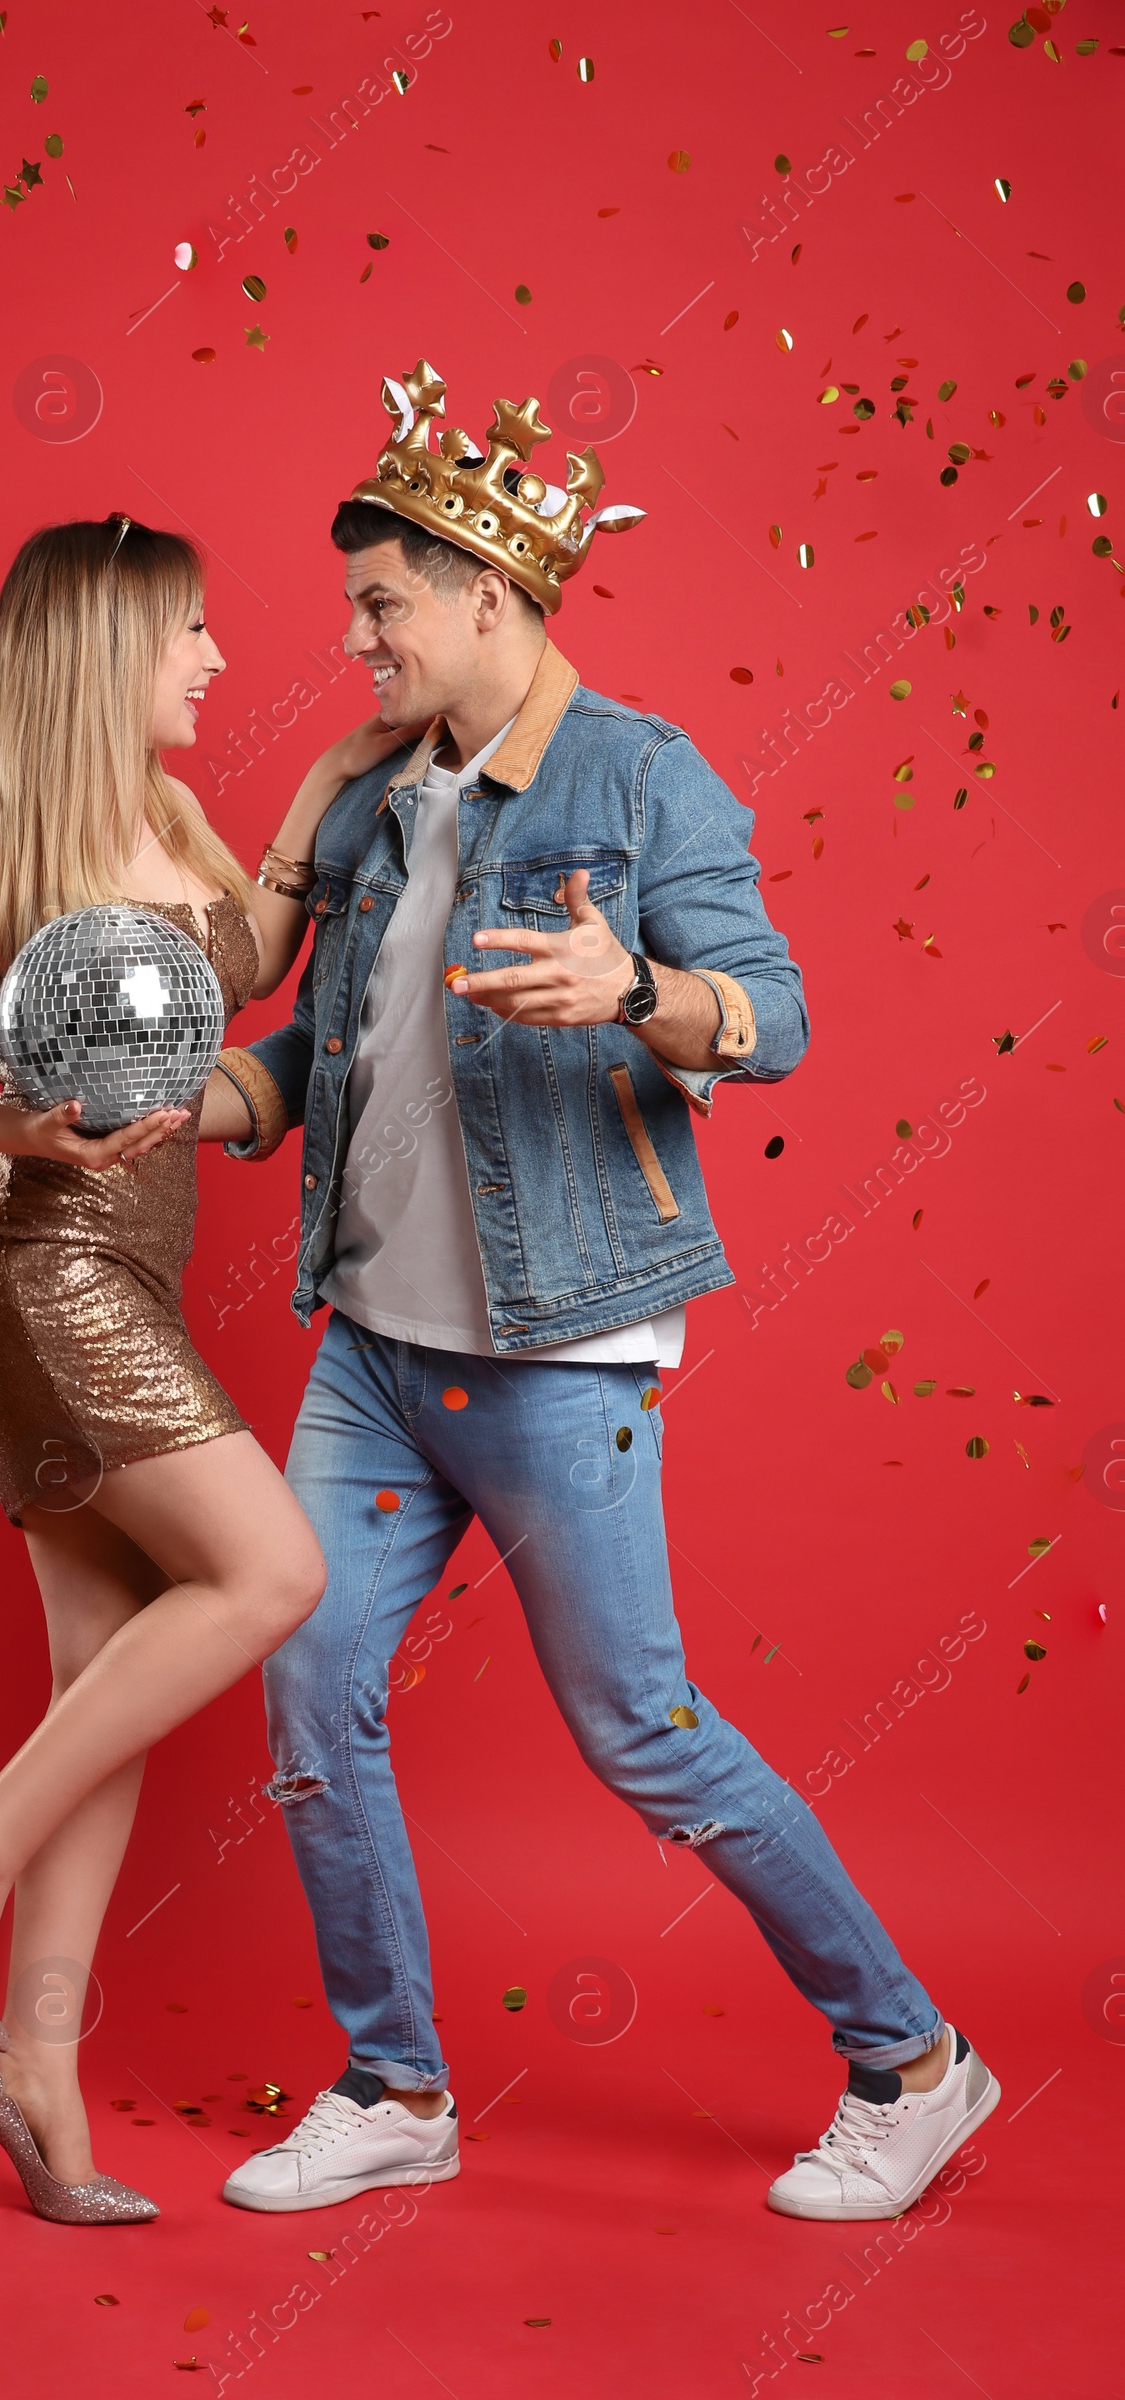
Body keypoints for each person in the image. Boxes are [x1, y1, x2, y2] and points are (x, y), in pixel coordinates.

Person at [197, 363, 999, 2223]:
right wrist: (188, 1101)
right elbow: (313, 1043)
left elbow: (777, 1019)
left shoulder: (642, 774)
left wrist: (634, 991)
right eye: (352, 607)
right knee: (310, 1684)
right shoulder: (390, 802)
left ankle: (916, 2060)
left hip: (559, 1354)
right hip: (375, 1346)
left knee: (641, 1733)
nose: (355, 635)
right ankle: (394, 2083)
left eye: (382, 601)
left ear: (487, 591)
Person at [0, 515, 400, 2226]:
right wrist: (2, 1124)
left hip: (126, 1273)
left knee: (103, 1684)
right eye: (190, 635)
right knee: (271, 1568)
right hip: (32, 1271)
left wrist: (329, 776)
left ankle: (36, 2076)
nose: (218, 661)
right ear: (104, 653)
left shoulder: (172, 820)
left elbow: (254, 961)